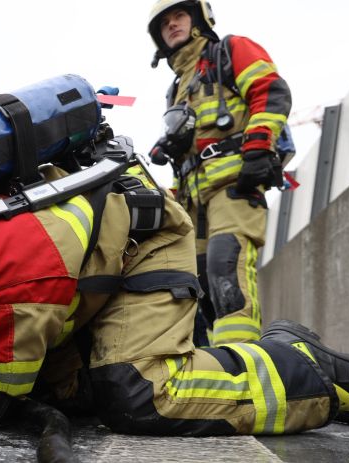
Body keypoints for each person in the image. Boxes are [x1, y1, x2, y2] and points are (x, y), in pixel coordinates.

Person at [0, 145, 349, 435]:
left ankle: (312, 369)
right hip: (78, 268)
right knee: (67, 390)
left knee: (138, 393)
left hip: (144, 241)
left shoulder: (4, 291)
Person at [147, 0, 291, 345]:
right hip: (192, 204)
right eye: (164, 22)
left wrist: (258, 146)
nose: (172, 25)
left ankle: (244, 360)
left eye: (179, 15)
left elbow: (271, 91)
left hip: (234, 187)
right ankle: (218, 364)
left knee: (226, 269)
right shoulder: (177, 88)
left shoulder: (230, 50)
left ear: (198, 18)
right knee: (200, 288)